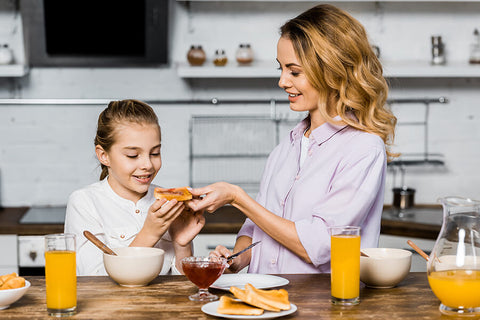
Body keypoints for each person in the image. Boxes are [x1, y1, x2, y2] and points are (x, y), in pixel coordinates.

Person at [187, 4, 397, 274]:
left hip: (321, 308)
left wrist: (236, 198)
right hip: (264, 298)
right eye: (281, 69)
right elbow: (257, 226)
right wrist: (236, 259)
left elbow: (319, 245)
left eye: (294, 71)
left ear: (332, 72)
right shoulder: (286, 147)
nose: (282, 81)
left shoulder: (363, 149)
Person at [65, 99, 205, 276]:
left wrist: (182, 245)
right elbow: (94, 280)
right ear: (103, 155)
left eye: (155, 153)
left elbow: (183, 288)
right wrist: (149, 234)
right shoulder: (85, 202)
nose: (147, 164)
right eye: (132, 155)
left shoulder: (167, 202)